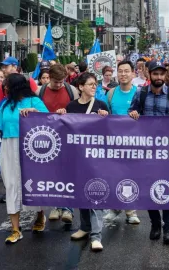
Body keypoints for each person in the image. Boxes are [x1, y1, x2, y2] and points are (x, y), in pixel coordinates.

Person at [0, 74, 49, 243]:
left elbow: (50, 120)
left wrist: (35, 113)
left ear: (16, 86)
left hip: (31, 148)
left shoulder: (34, 101)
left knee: (32, 184)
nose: (5, 88)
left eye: (7, 85)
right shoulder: (5, 106)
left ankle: (40, 215)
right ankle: (16, 230)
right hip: (9, 148)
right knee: (11, 185)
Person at [128, 60, 169, 245]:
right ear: (149, 75)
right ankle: (155, 224)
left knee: (168, 187)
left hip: (167, 152)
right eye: (155, 74)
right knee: (148, 187)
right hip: (145, 151)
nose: (159, 77)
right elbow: (131, 111)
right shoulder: (141, 93)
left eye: (161, 74)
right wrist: (133, 114)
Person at [60, 72, 109, 252]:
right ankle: (85, 227)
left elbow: (110, 132)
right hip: (78, 157)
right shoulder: (71, 106)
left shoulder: (101, 105)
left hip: (96, 158)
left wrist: (106, 117)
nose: (93, 87)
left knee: (95, 195)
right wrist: (61, 115)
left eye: (95, 84)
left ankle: (96, 236)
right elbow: (65, 129)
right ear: (80, 87)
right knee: (81, 193)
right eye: (90, 84)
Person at [37, 63, 79, 223]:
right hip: (47, 138)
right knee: (52, 173)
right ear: (49, 78)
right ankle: (55, 205)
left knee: (67, 173)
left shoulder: (72, 91)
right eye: (56, 82)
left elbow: (77, 111)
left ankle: (67, 208)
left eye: (62, 81)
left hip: (67, 138)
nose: (60, 84)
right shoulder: (39, 92)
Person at [102, 60, 141, 225]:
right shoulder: (110, 94)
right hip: (114, 142)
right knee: (113, 176)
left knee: (131, 177)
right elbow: (105, 116)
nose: (123, 74)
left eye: (127, 71)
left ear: (133, 73)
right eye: (121, 71)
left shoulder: (140, 94)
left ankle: (131, 211)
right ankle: (114, 208)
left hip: (135, 143)